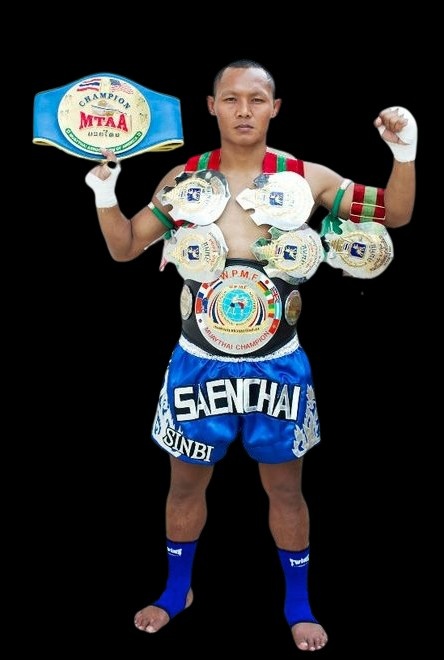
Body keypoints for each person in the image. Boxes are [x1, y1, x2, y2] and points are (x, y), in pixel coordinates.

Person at [85, 60, 416, 652]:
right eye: (231, 98)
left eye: (256, 99)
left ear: (274, 107)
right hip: (198, 360)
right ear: (211, 106)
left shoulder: (306, 177)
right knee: (184, 486)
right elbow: (126, 247)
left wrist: (404, 154)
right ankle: (176, 591)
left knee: (286, 489)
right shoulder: (185, 178)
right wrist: (105, 195)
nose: (244, 110)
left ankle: (299, 603)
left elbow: (394, 212)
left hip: (277, 363)